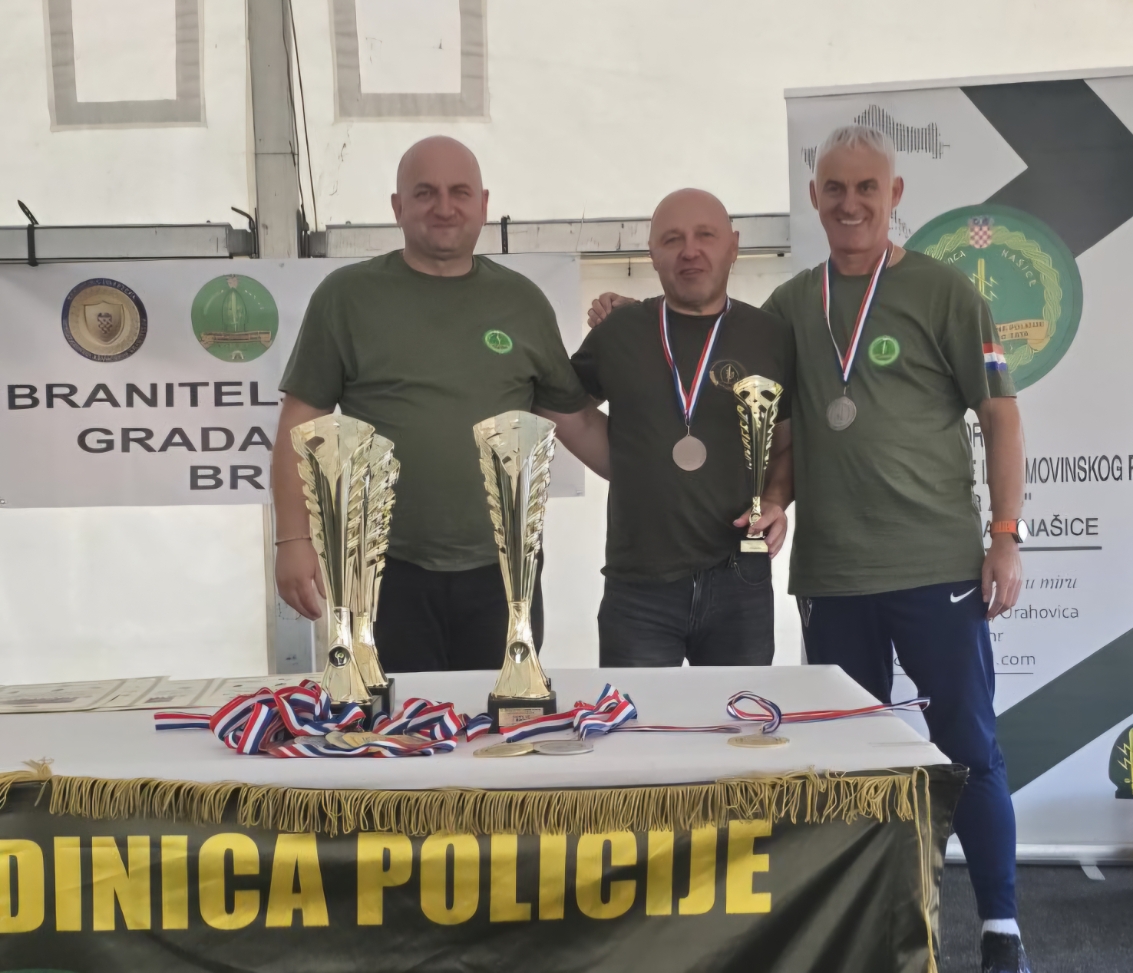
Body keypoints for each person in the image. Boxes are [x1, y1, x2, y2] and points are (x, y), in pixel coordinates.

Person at [588, 128, 1029, 973]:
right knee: (846, 764)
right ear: (814, 197)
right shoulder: (790, 307)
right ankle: (864, 925)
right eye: (834, 188)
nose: (849, 203)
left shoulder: (944, 293)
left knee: (967, 748)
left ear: (894, 195)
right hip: (830, 576)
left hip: (937, 566)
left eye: (866, 187)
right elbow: (779, 432)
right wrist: (773, 501)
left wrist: (1003, 536)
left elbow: (999, 414)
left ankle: (1000, 924)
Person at [272, 135, 607, 673]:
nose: (444, 207)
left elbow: (576, 421)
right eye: (425, 193)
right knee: (398, 718)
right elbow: (300, 424)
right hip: (383, 569)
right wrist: (292, 540)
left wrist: (663, 482)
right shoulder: (347, 297)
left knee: (500, 717)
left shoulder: (522, 302)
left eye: (459, 192)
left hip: (505, 572)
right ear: (397, 207)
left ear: (483, 204)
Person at [562, 188, 794, 667]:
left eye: (705, 235)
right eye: (672, 239)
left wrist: (775, 499)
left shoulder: (771, 336)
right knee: (639, 717)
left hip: (740, 578)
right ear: (652, 253)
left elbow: (788, 443)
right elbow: (567, 410)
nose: (690, 250)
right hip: (638, 586)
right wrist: (629, 464)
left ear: (733, 245)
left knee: (738, 713)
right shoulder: (619, 332)